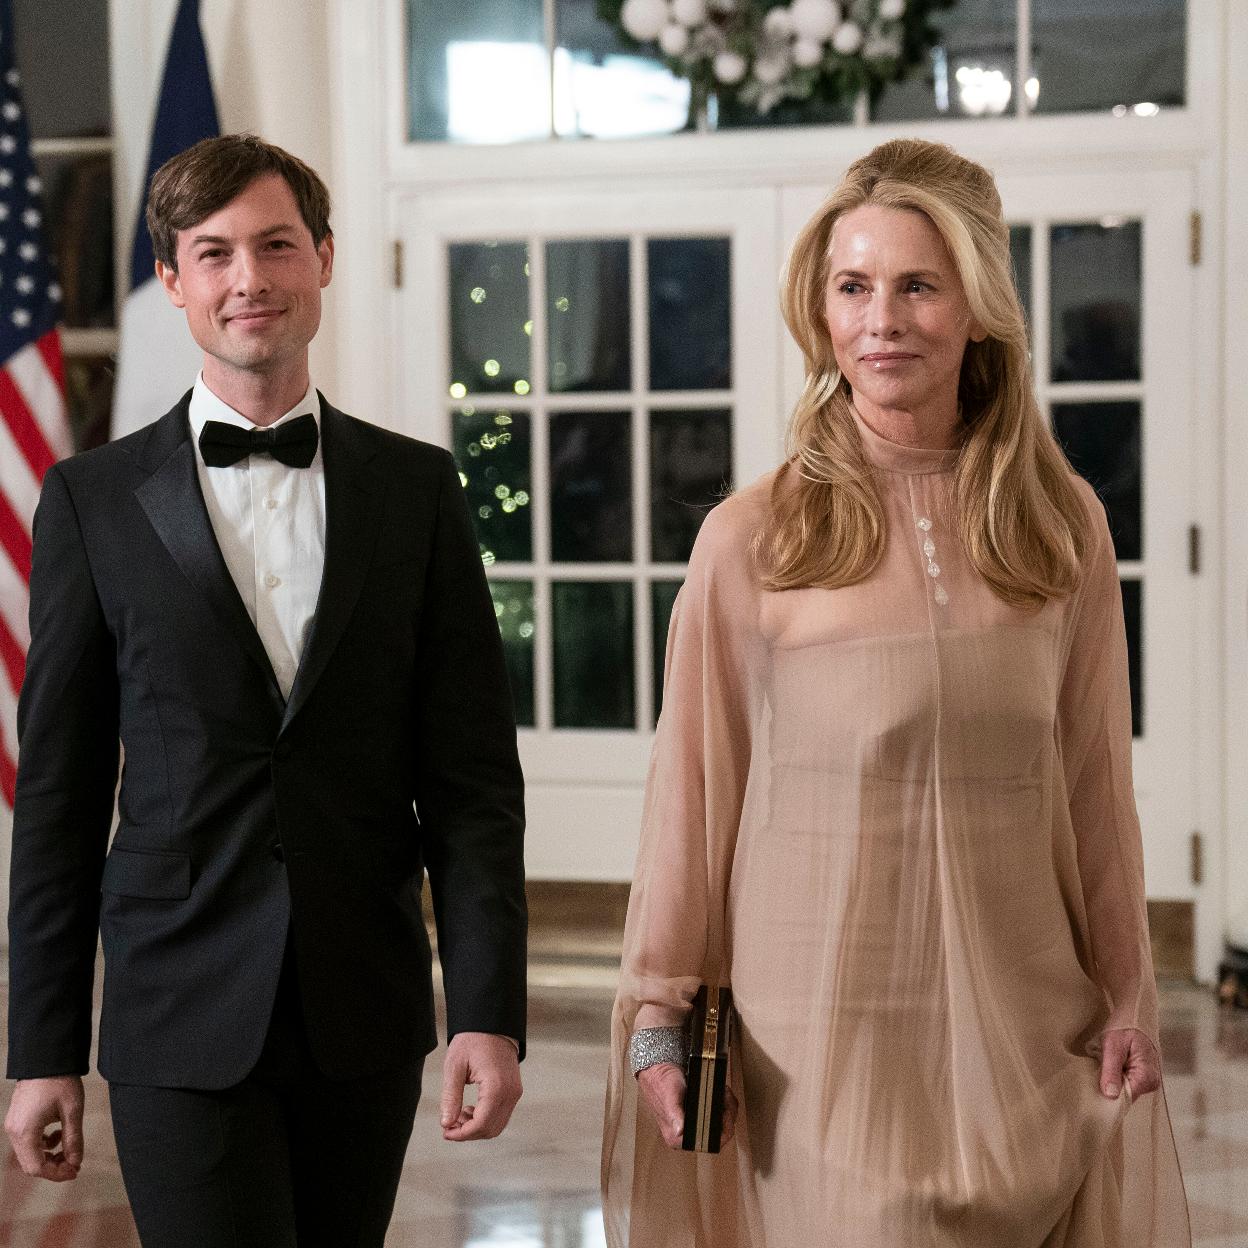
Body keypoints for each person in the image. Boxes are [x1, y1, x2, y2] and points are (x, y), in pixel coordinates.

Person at [602, 138, 1189, 1247]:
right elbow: (693, 793)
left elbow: (1095, 787)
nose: (883, 319)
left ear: (977, 308)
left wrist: (1127, 992)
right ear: (820, 314)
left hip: (1029, 1028)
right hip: (820, 1043)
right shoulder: (753, 537)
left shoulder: (1063, 527)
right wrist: (658, 1011)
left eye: (918, 285)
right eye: (853, 287)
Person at [4, 134, 527, 1247]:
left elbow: (474, 783)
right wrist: (40, 1048)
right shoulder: (92, 502)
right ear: (172, 281)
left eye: (277, 244)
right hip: (174, 1013)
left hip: (365, 1011)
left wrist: (487, 1012)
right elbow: (59, 794)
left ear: (325, 259)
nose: (250, 279)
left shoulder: (418, 490)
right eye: (215, 252)